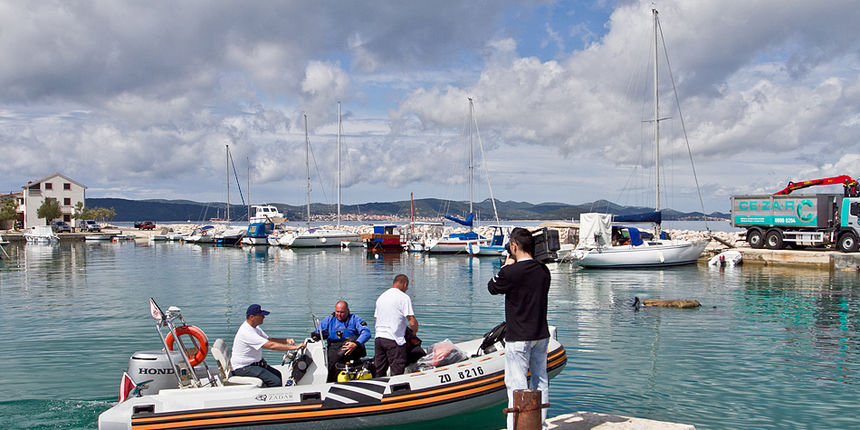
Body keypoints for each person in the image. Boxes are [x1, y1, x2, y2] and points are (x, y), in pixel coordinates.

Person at [487, 228, 551, 430]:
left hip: (519, 336)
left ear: (514, 246)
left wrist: (506, 266)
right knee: (541, 379)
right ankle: (538, 423)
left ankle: (518, 426)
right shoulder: (544, 271)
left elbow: (492, 287)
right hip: (540, 333)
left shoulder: (510, 272)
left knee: (516, 383)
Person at [230, 304, 305, 387]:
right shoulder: (247, 332)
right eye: (261, 315)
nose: (263, 317)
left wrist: (286, 340)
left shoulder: (255, 328)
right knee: (275, 381)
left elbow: (269, 340)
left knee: (277, 374)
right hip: (242, 368)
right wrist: (294, 347)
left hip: (253, 364)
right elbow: (271, 345)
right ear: (252, 317)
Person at [315, 300, 372, 382]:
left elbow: (366, 333)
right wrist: (317, 335)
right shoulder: (330, 319)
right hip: (334, 347)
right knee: (327, 359)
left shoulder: (355, 319)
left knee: (334, 358)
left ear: (348, 311)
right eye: (337, 312)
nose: (339, 315)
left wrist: (356, 343)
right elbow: (317, 332)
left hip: (351, 347)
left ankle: (329, 380)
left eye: (342, 312)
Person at [373, 274, 418, 376]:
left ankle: (380, 388)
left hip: (379, 338)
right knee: (397, 369)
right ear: (405, 284)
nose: (406, 289)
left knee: (379, 369)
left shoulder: (381, 297)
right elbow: (411, 320)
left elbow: (376, 319)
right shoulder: (403, 297)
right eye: (407, 287)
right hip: (394, 339)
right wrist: (413, 333)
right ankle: (398, 391)